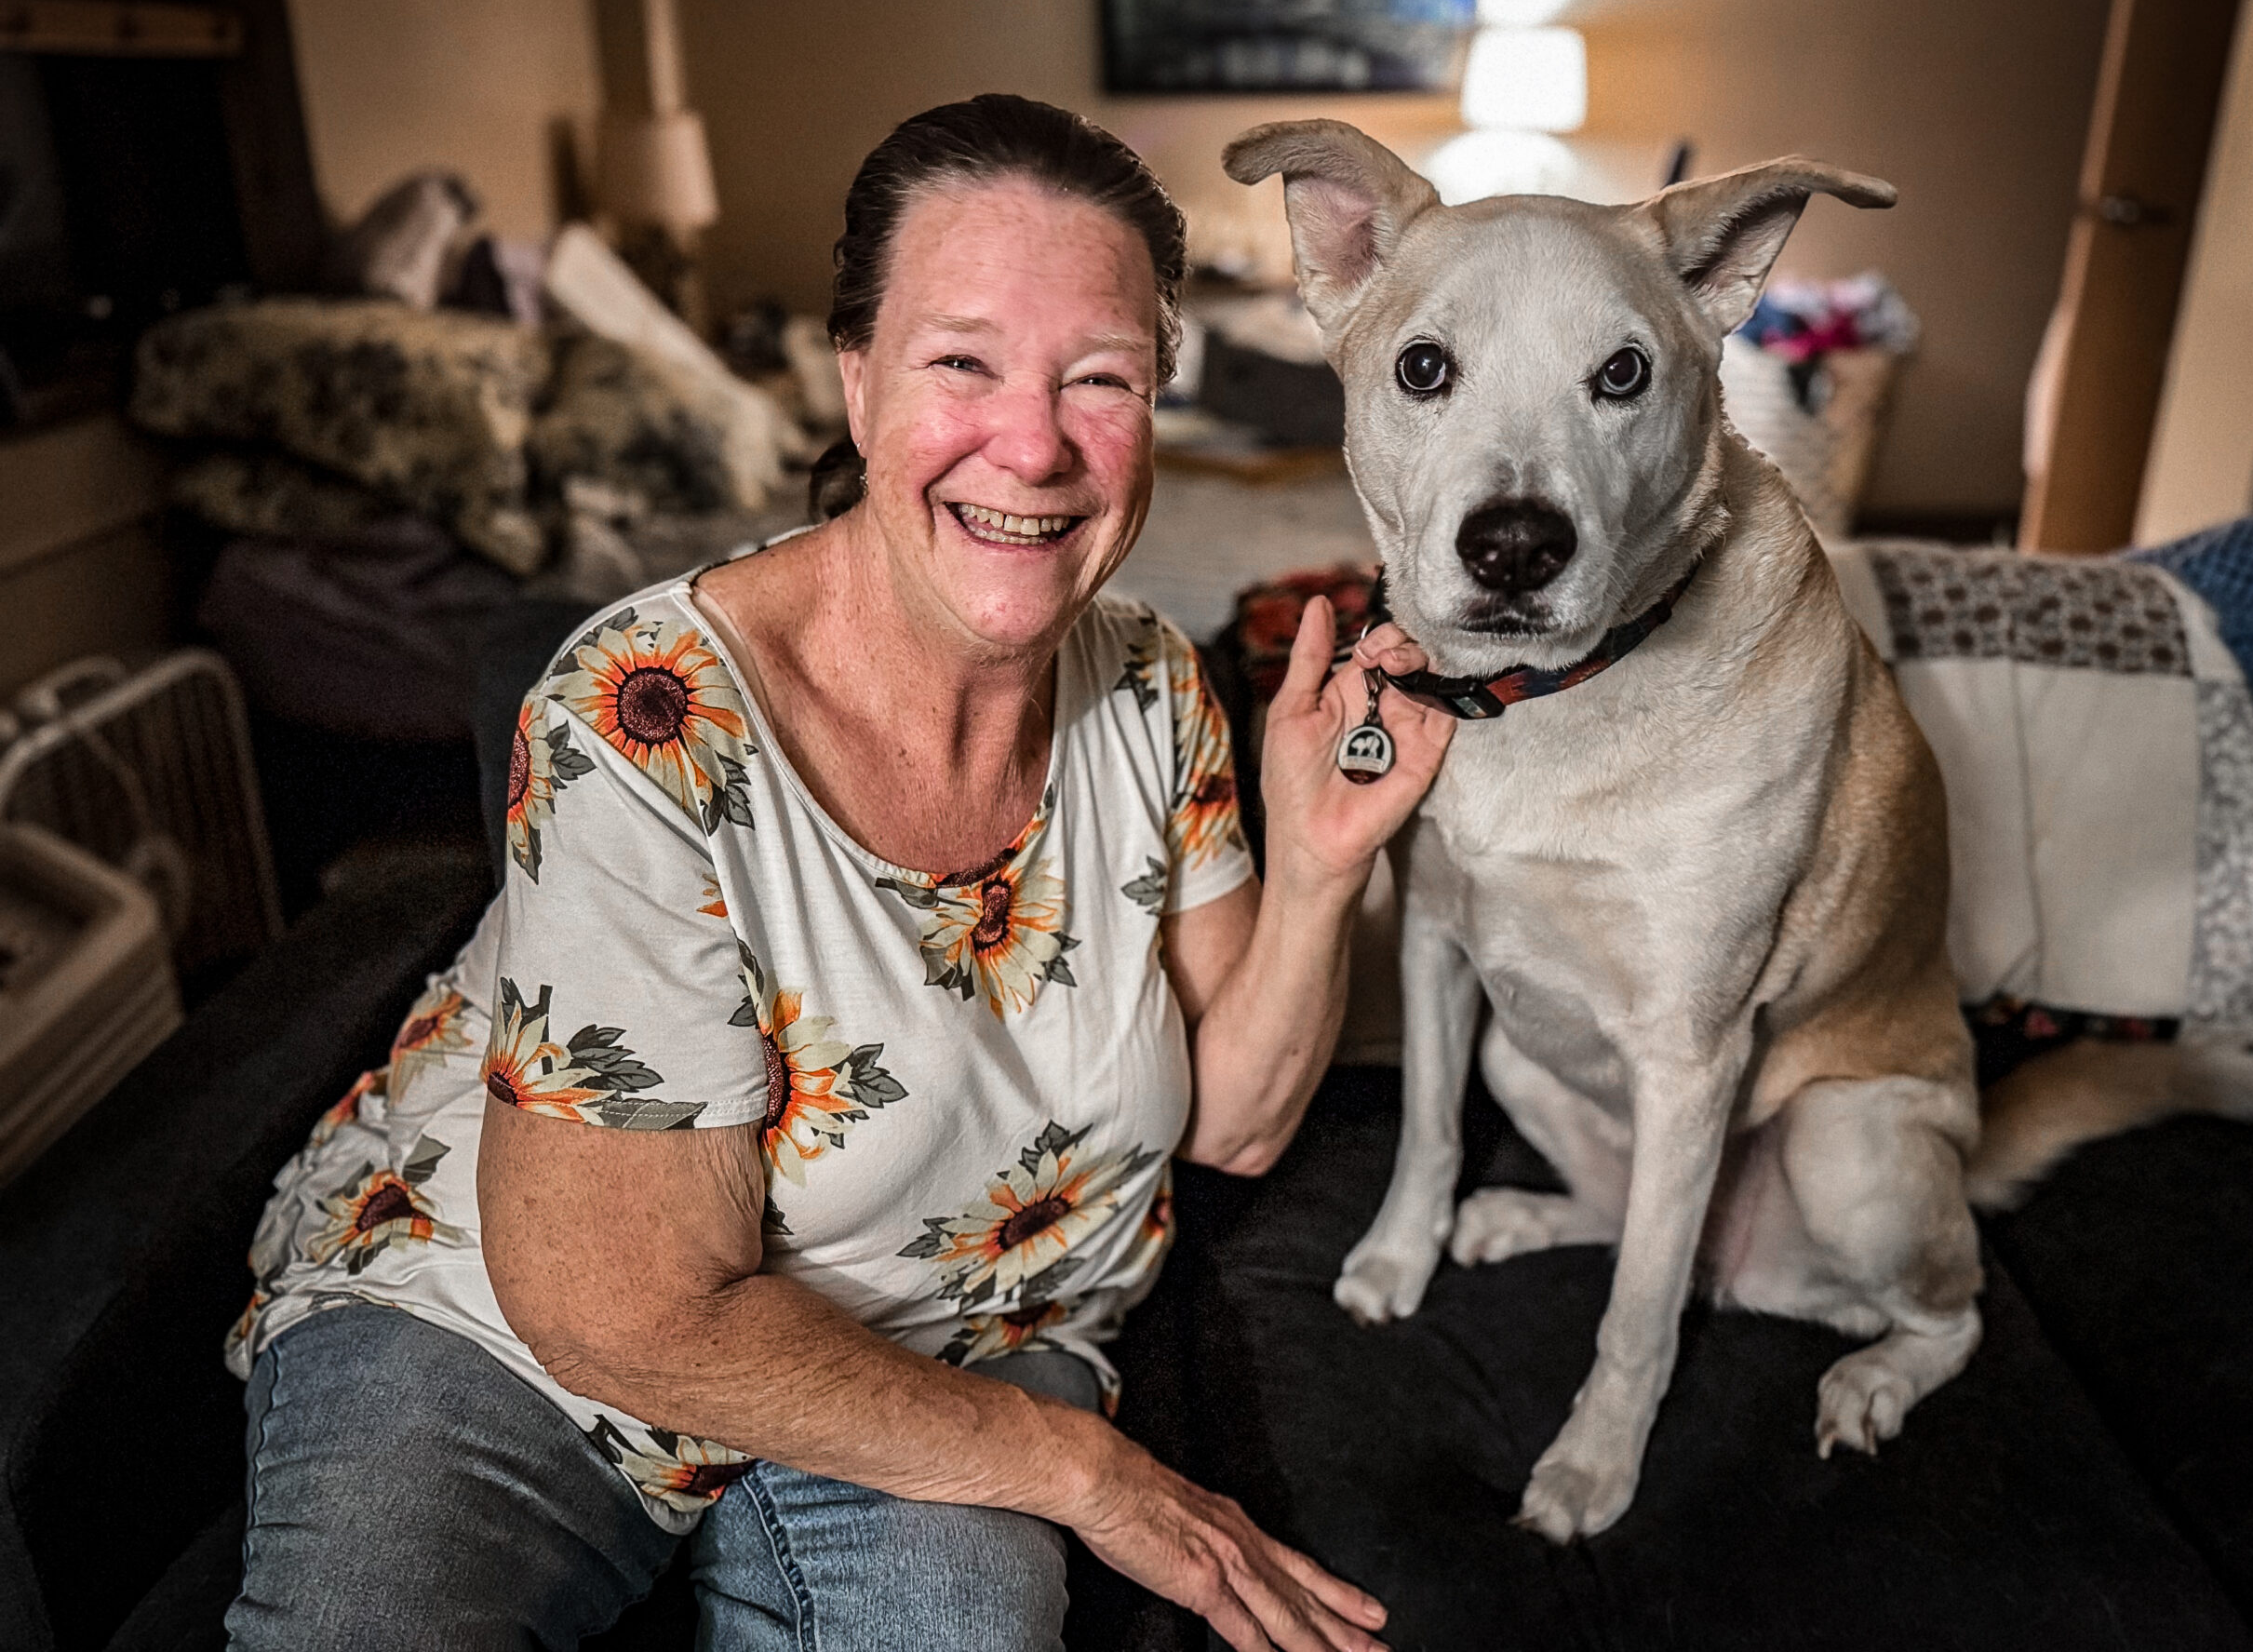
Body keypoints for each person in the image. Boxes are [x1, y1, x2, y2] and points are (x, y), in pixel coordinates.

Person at [223, 94, 1455, 1652]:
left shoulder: (1149, 688)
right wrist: (1087, 1471)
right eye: (963, 363)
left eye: (1103, 380)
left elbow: (1238, 1121)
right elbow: (629, 1309)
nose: (1036, 444)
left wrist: (1327, 856)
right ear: (857, 380)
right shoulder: (642, 718)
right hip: (519, 1327)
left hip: (959, 1344)